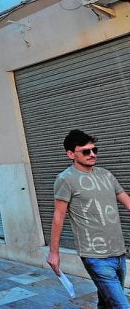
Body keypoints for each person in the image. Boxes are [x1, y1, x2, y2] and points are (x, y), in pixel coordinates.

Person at [47, 130, 130, 308]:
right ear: (70, 154)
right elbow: (58, 215)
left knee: (107, 301)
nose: (92, 154)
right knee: (122, 305)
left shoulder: (106, 175)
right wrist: (54, 252)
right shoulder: (65, 179)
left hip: (118, 251)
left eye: (94, 150)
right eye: (85, 151)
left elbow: (128, 202)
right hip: (94, 255)